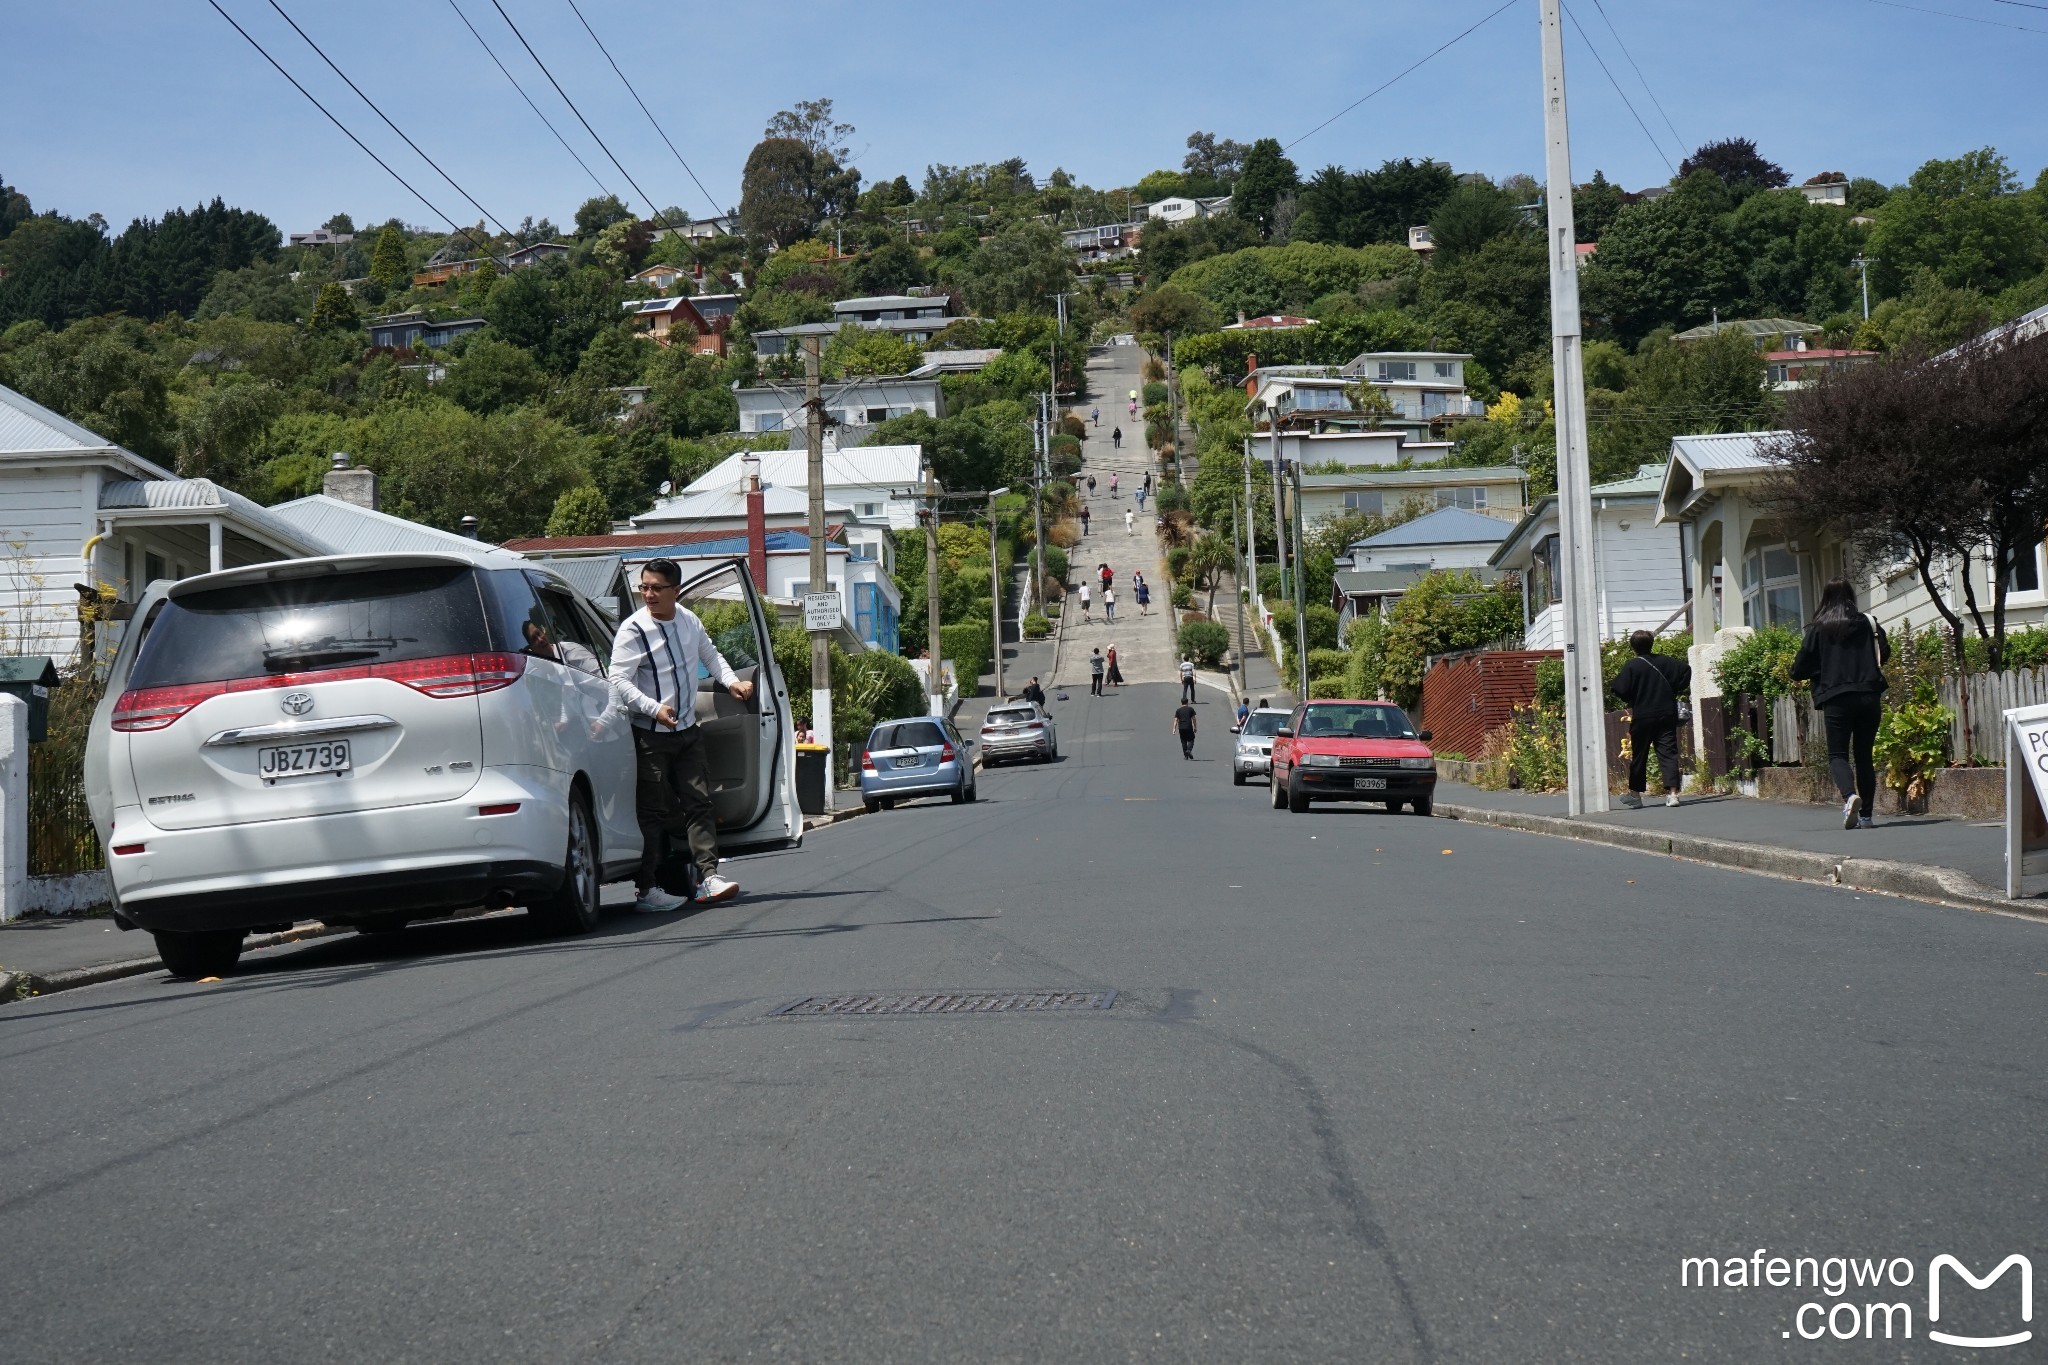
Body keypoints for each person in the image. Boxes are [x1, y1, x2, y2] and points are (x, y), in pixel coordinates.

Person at [609, 559, 754, 911]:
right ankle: (647, 890)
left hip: (688, 731)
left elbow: (711, 654)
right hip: (650, 736)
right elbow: (617, 680)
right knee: (652, 813)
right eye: (643, 587)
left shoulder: (689, 621)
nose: (648, 594)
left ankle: (709, 877)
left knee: (699, 803)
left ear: (676, 590)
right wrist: (653, 707)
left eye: (657, 588)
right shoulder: (633, 630)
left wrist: (732, 682)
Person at [1791, 578, 1892, 829]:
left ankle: (1849, 797)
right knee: (1864, 756)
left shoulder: (1818, 629)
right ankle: (1867, 817)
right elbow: (1885, 653)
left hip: (1837, 698)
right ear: (1851, 597)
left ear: (1825, 599)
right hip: (1869, 694)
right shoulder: (1869, 623)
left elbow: (1799, 667)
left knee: (1838, 755)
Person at [1609, 630, 1691, 809]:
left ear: (1633, 647)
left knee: (1640, 755)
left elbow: (1618, 687)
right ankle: (1673, 794)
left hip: (1643, 715)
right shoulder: (1666, 662)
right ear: (1652, 643)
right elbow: (1686, 670)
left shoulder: (1632, 666)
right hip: (1666, 713)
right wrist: (1674, 689)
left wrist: (1632, 698)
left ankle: (1636, 795)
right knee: (1668, 752)